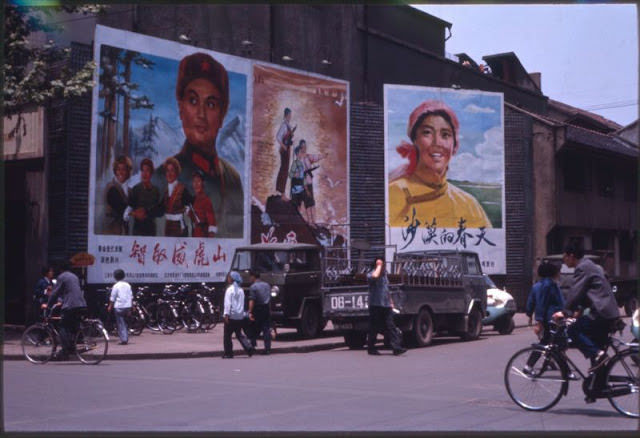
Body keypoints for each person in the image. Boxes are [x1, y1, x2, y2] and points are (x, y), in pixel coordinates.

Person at [154, 52, 243, 238]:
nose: (201, 114)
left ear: (222, 114)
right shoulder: (164, 176)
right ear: (180, 109)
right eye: (193, 101)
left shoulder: (232, 178)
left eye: (211, 104)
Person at [388, 100, 491, 229]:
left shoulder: (469, 204)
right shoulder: (394, 193)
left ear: (454, 144)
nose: (437, 142)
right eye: (427, 132)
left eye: (445, 135)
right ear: (415, 139)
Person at [552, 244, 620, 373]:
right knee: (596, 348)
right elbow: (588, 292)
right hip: (607, 311)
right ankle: (598, 386)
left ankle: (599, 355)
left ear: (571, 256)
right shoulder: (590, 265)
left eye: (564, 257)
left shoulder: (582, 268)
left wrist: (564, 312)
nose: (564, 261)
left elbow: (575, 292)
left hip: (601, 312)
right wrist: (579, 311)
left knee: (573, 330)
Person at [524, 262, 565, 373]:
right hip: (552, 318)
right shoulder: (551, 285)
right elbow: (558, 302)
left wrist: (530, 315)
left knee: (551, 341)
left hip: (545, 318)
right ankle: (532, 364)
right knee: (553, 342)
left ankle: (549, 360)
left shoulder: (536, 286)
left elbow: (530, 303)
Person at [45, 261, 87, 361]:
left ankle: (65, 350)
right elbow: (68, 292)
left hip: (71, 305)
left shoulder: (62, 277)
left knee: (62, 326)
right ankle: (73, 345)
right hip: (81, 304)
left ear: (60, 269)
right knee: (73, 325)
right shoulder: (74, 276)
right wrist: (61, 301)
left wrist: (48, 306)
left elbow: (55, 293)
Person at [367, 258, 406, 356]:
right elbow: (375, 276)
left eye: (383, 265)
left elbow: (386, 290)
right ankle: (371, 348)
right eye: (381, 265)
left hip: (386, 305)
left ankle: (396, 348)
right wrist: (378, 265)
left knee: (391, 326)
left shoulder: (385, 276)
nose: (383, 267)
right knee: (374, 327)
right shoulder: (370, 274)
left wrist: (391, 302)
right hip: (375, 304)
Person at [127, 158, 163, 236]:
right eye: (142, 171)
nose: (144, 174)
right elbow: (128, 210)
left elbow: (160, 211)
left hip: (151, 230)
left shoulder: (156, 191)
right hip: (137, 229)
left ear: (151, 173)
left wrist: (147, 213)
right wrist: (136, 213)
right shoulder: (135, 189)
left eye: (147, 171)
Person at [222, 271, 255, 358]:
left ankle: (228, 353)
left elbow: (227, 303)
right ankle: (249, 348)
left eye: (229, 277)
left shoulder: (229, 290)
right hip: (239, 316)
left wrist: (226, 314)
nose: (228, 279)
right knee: (239, 333)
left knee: (227, 335)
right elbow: (242, 303)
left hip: (231, 316)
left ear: (232, 279)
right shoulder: (241, 290)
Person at [161, 157, 193, 237]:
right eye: (167, 171)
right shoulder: (165, 191)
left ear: (177, 172)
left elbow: (191, 205)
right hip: (168, 227)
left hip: (180, 229)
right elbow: (160, 208)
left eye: (172, 170)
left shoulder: (182, 189)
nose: (169, 173)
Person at [298, 139, 326, 225]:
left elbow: (315, 157)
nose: (305, 148)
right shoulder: (299, 159)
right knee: (307, 203)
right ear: (300, 147)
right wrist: (305, 187)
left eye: (305, 146)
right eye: (303, 146)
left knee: (312, 202)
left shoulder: (307, 156)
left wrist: (323, 156)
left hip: (309, 182)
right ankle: (310, 222)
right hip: (304, 183)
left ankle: (314, 221)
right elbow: (300, 174)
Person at [104, 155, 133, 235]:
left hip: (124, 233)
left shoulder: (130, 191)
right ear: (115, 171)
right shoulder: (111, 187)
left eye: (123, 169)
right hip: (112, 232)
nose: (120, 172)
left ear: (128, 171)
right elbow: (122, 208)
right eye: (118, 169)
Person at [247, 271, 272, 355]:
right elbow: (269, 299)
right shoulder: (267, 285)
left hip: (257, 308)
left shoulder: (253, 287)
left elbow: (252, 300)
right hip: (266, 308)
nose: (249, 279)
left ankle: (253, 346)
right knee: (266, 329)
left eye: (250, 277)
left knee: (252, 327)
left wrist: (250, 311)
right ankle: (267, 348)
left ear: (253, 276)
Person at [107, 269, 133, 345]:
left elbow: (113, 297)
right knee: (125, 322)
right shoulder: (128, 285)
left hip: (119, 306)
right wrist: (131, 306)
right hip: (127, 306)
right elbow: (131, 296)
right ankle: (126, 336)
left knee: (121, 323)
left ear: (115, 277)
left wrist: (110, 306)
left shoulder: (116, 286)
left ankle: (124, 339)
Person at [189, 170, 217, 238]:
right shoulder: (194, 199)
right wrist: (189, 212)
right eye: (194, 181)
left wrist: (210, 238)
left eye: (198, 181)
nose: (196, 184)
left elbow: (212, 222)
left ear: (203, 183)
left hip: (204, 235)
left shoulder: (206, 201)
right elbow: (195, 219)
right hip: (195, 234)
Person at [275, 107, 296, 198]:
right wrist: (283, 146)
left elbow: (288, 138)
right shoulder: (284, 125)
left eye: (290, 115)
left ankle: (280, 190)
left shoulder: (288, 125)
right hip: (284, 150)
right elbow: (278, 137)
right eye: (289, 115)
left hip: (287, 149)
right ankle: (281, 192)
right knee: (284, 170)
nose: (290, 117)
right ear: (286, 115)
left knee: (285, 170)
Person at [288, 143, 307, 214]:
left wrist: (305, 186)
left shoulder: (301, 164)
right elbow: (290, 175)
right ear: (297, 153)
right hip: (295, 190)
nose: (301, 154)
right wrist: (295, 174)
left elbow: (303, 176)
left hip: (301, 190)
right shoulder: (294, 163)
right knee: (294, 208)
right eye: (299, 152)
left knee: (299, 207)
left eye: (301, 152)